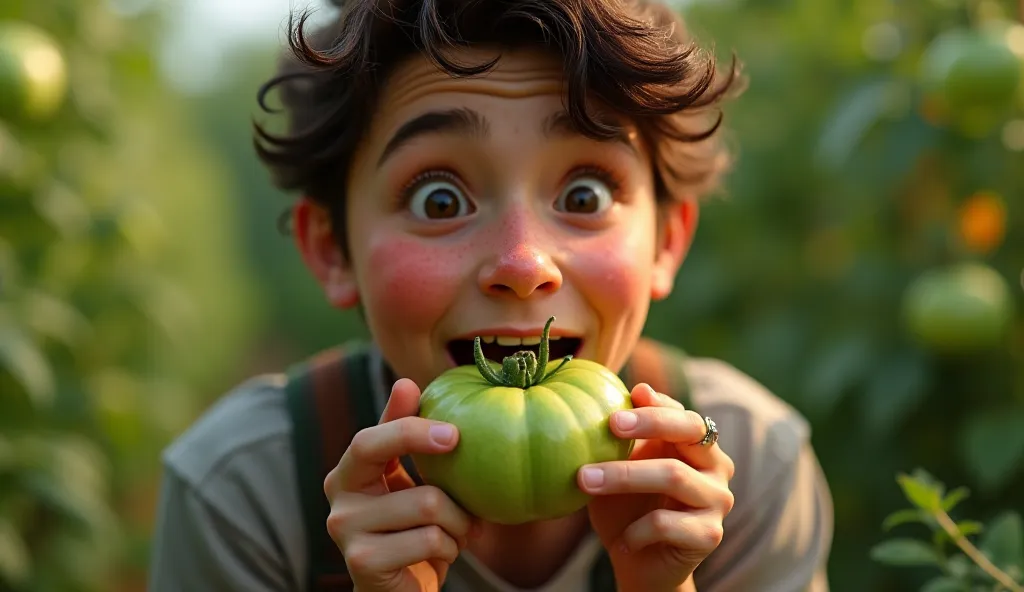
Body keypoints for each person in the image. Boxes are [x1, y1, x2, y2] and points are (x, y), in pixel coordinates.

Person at [147, 0, 834, 590]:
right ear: (333, 249)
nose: (522, 262)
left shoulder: (754, 466)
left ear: (666, 241)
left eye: (584, 194)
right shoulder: (244, 491)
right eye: (439, 198)